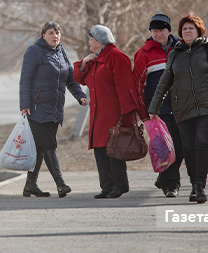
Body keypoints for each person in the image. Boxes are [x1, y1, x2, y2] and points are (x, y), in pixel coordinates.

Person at [148, 14, 208, 204]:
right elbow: (164, 82)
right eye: (185, 28)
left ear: (199, 31)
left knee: (201, 142)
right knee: (188, 148)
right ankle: (194, 185)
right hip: (183, 108)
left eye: (191, 28)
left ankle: (200, 186)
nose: (187, 31)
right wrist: (154, 107)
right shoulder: (175, 54)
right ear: (180, 32)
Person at [73, 24, 147, 199]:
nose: (89, 42)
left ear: (100, 41)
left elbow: (126, 88)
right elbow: (79, 78)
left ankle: (120, 185)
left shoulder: (117, 57)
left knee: (115, 149)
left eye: (91, 39)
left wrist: (127, 116)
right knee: (100, 150)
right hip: (98, 115)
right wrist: (84, 61)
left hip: (114, 115)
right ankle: (106, 186)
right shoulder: (96, 58)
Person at [19, 22, 88, 197]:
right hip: (37, 108)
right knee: (49, 145)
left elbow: (70, 80)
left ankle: (30, 185)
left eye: (57, 33)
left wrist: (80, 96)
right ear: (43, 35)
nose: (55, 36)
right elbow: (25, 79)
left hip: (55, 109)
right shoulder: (34, 51)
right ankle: (60, 183)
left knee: (40, 148)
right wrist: (25, 105)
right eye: (51, 33)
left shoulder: (62, 53)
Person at [133, 13, 185, 198]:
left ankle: (164, 177)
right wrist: (144, 112)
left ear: (168, 31)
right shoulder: (143, 54)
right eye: (154, 31)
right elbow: (138, 86)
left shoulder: (182, 48)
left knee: (180, 148)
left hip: (182, 107)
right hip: (158, 111)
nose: (158, 34)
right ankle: (172, 185)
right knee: (166, 147)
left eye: (161, 30)